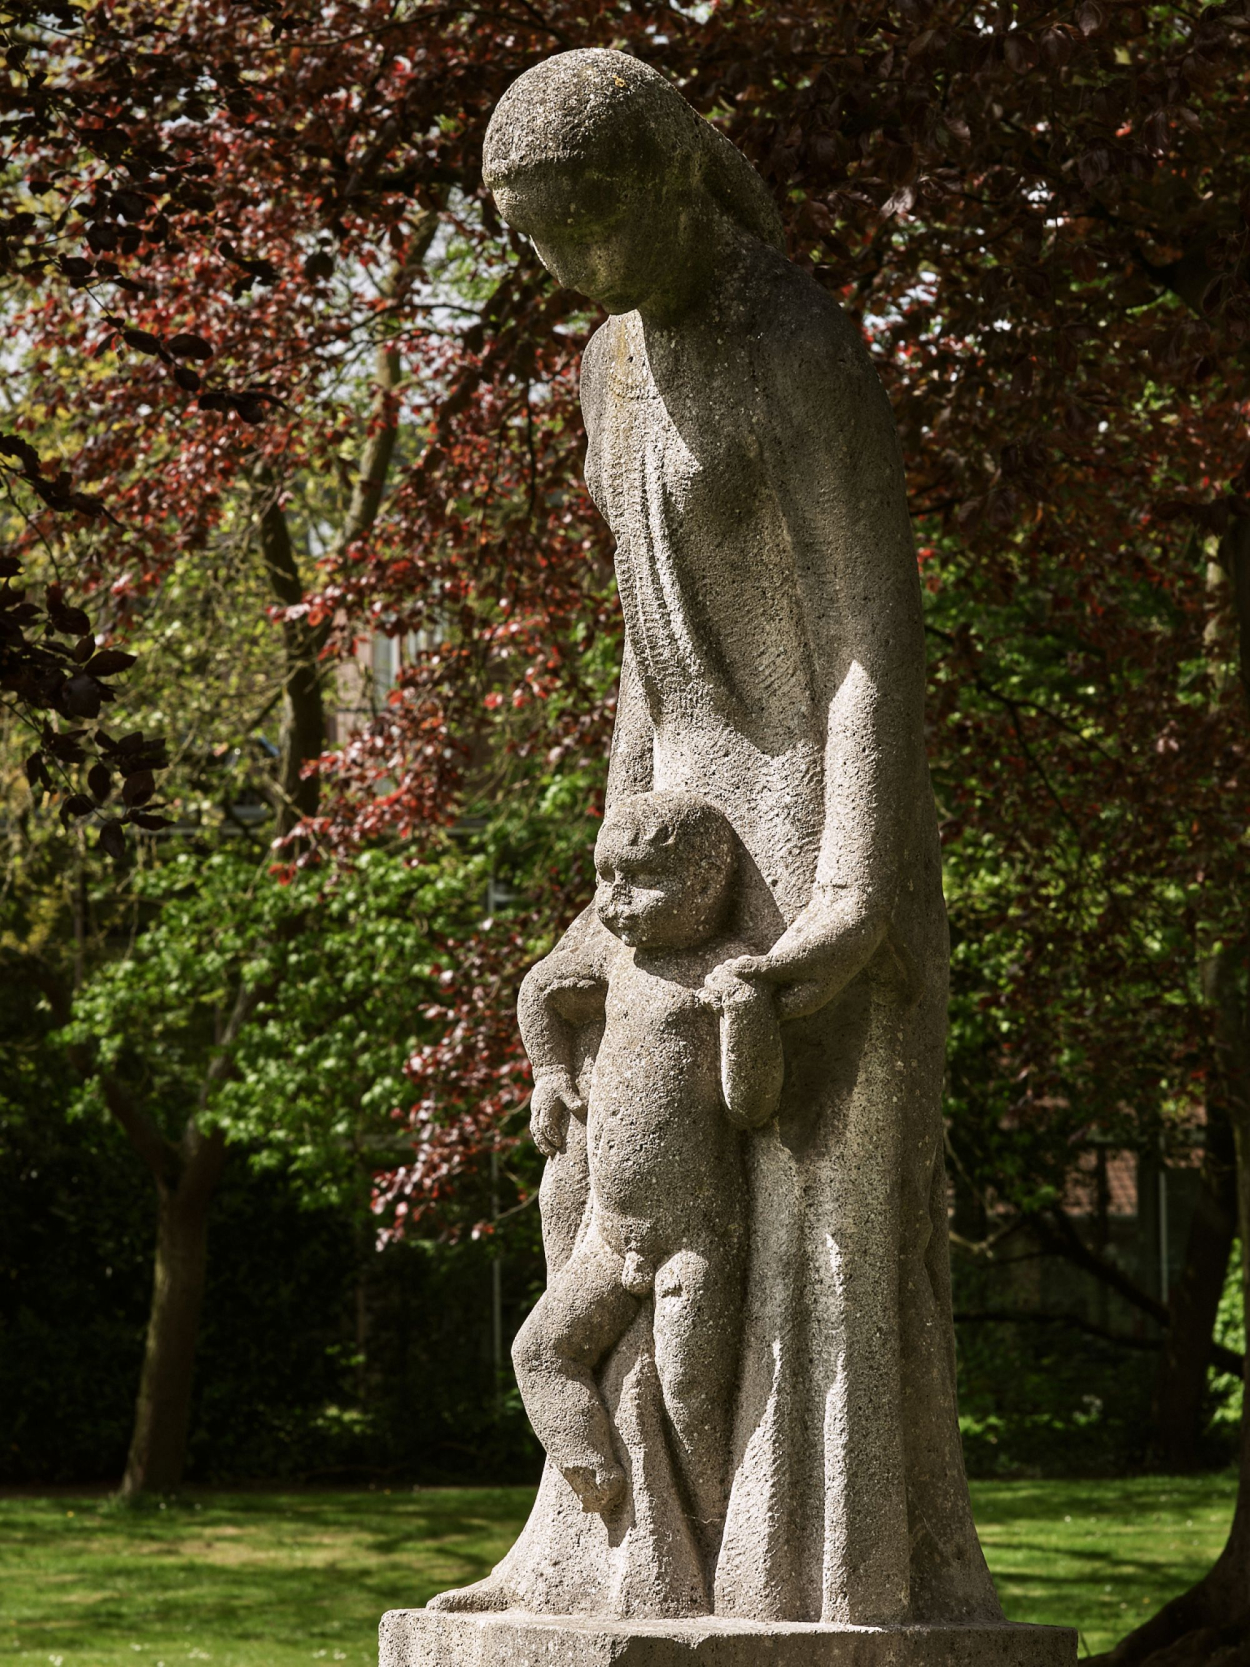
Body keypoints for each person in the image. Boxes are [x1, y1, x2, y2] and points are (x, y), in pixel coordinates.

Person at [430, 48, 1001, 1626]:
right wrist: (598, 869)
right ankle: (600, 1553)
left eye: (587, 224)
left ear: (674, 177)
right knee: (593, 1178)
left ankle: (798, 1577)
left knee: (811, 1214)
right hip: (670, 831)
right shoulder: (605, 369)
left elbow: (870, 641)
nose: (570, 267)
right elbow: (644, 651)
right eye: (538, 240)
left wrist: (856, 891)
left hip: (813, 813)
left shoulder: (794, 347)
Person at [512, 790, 783, 1546]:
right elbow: (539, 990)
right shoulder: (612, 955)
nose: (616, 901)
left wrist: (745, 1016)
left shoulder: (725, 968)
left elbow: (751, 1105)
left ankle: (715, 1531)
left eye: (640, 882)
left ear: (706, 885)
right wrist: (548, 1073)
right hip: (608, 1234)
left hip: (692, 1237)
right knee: (539, 1352)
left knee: (690, 1391)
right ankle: (594, 1473)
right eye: (607, 878)